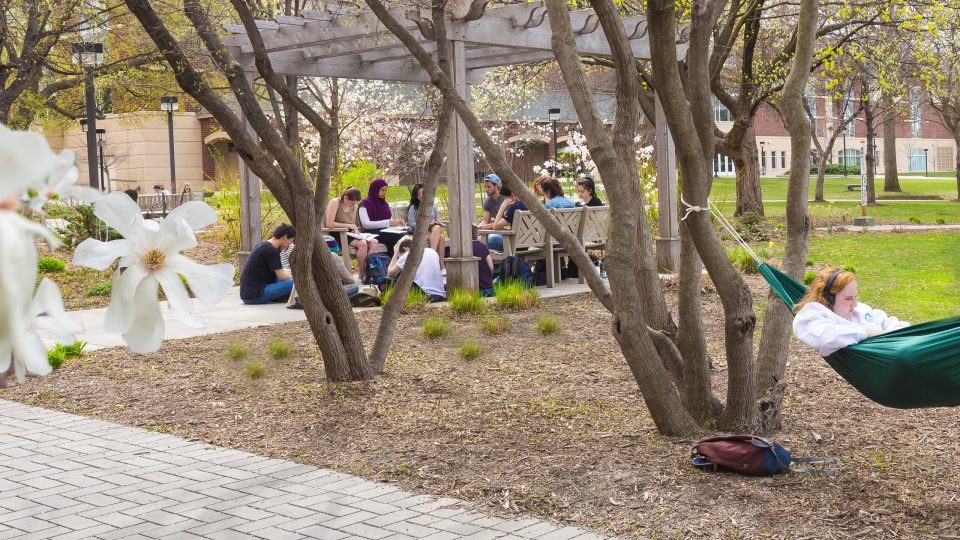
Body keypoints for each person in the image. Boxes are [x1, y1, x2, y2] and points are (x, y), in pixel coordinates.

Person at [793, 266, 909, 356]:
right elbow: (828, 338)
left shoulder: (859, 309)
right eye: (848, 298)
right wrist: (871, 333)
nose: (855, 303)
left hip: (901, 348)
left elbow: (888, 322)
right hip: (889, 361)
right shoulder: (813, 315)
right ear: (829, 298)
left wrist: (907, 331)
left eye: (855, 297)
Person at [326, 187, 380, 282]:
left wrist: (355, 230)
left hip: (350, 233)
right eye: (351, 203)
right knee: (362, 243)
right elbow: (329, 223)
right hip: (338, 233)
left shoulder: (354, 206)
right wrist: (349, 225)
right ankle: (362, 273)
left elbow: (352, 223)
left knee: (374, 242)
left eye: (355, 203)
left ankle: (370, 270)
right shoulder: (335, 202)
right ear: (346, 198)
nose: (353, 205)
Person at [240, 224, 296, 304]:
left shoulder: (262, 245)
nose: (289, 246)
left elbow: (280, 273)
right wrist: (298, 277)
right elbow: (282, 276)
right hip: (256, 295)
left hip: (248, 294)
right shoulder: (272, 251)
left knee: (288, 276)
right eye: (290, 242)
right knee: (296, 283)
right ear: (285, 237)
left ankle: (280, 297)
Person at [387, 235, 446, 302]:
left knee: (387, 281)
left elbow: (390, 273)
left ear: (405, 249)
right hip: (440, 294)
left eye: (400, 255)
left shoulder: (408, 255)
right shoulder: (432, 252)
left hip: (424, 294)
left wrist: (395, 254)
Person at [359, 178, 406, 255]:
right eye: (382, 190)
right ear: (375, 189)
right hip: (372, 233)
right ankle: (393, 261)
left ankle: (402, 261)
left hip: (386, 231)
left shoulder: (385, 204)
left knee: (407, 233)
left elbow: (389, 221)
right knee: (399, 236)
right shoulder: (364, 204)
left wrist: (396, 222)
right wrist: (387, 222)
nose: (384, 193)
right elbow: (366, 225)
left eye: (385, 190)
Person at [407, 183, 446, 273]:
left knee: (437, 229)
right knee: (441, 237)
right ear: (416, 196)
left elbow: (436, 220)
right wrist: (425, 224)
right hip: (420, 232)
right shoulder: (414, 208)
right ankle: (441, 265)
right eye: (419, 194)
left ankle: (434, 260)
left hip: (432, 232)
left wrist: (435, 223)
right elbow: (411, 223)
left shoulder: (433, 207)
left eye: (423, 193)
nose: (421, 196)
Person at [478, 186, 525, 252]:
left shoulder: (514, 208)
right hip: (528, 243)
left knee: (478, 241)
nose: (504, 200)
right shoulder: (530, 205)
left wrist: (502, 206)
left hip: (513, 244)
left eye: (506, 198)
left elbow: (496, 227)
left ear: (512, 195)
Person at [472, 225, 495, 297]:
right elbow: (491, 267)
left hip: (472, 291)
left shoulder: (463, 249)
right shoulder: (482, 246)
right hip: (487, 288)